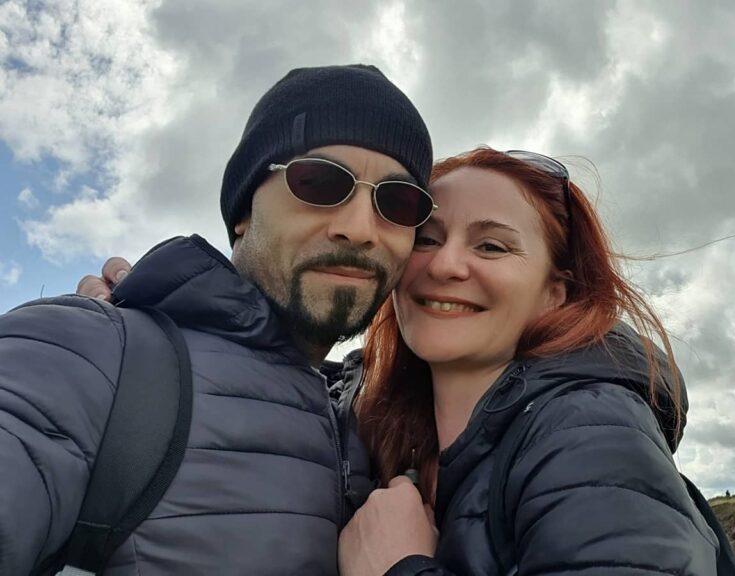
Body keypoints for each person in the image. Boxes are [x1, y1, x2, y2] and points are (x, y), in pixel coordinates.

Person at [0, 64, 433, 575]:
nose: (361, 229)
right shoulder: (87, 354)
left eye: (398, 201)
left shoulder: (376, 413)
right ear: (243, 213)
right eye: (318, 181)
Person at [336, 148, 721, 575]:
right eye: (427, 239)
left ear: (555, 293)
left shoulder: (589, 432)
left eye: (492, 246)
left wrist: (395, 568)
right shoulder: (376, 426)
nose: (444, 265)